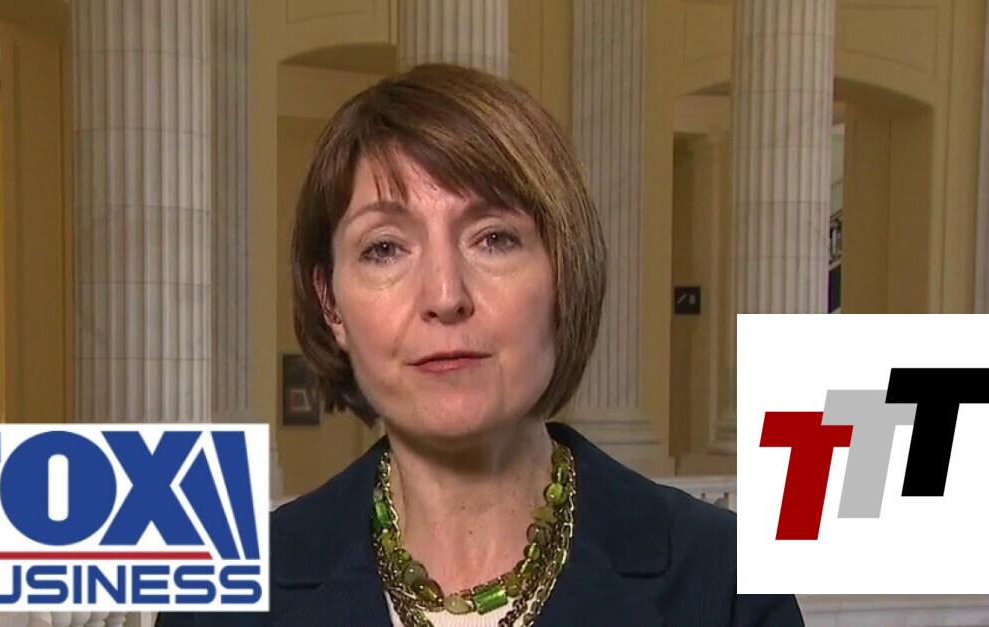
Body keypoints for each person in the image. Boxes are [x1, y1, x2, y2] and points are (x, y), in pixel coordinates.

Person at [157, 63, 804, 626]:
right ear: (332, 306)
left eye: (493, 238)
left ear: (563, 274)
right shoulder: (221, 604)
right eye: (384, 249)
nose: (445, 294)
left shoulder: (723, 583)